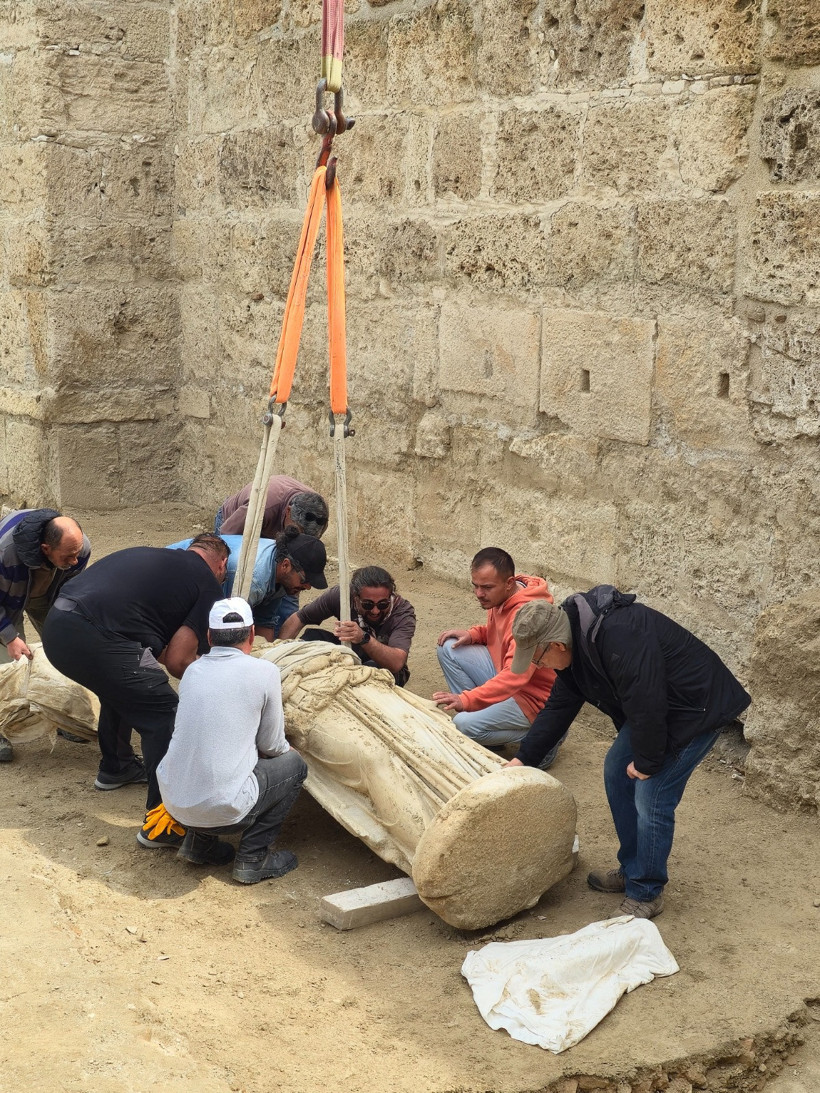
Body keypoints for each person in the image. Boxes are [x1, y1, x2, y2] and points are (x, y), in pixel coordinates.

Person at [507, 587, 752, 919]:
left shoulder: (620, 634)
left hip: (696, 708)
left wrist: (649, 761)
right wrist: (525, 758)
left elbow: (646, 698)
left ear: (556, 645)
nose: (539, 667)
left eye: (537, 659)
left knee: (652, 795)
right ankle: (633, 866)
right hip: (657, 709)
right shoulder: (573, 642)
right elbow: (561, 704)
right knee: (615, 769)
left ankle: (646, 892)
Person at [41, 533, 229, 844]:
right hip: (94, 633)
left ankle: (117, 767)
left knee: (132, 684)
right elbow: (178, 662)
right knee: (164, 712)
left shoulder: (157, 557)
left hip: (58, 625)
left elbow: (158, 652)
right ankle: (162, 826)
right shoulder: (207, 583)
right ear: (221, 564)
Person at [156, 597, 308, 884]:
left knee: (211, 755)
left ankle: (199, 845)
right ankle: (253, 858)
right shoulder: (265, 672)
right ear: (252, 633)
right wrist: (292, 749)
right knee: (295, 765)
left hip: (175, 802)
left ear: (209, 636)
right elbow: (272, 746)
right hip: (224, 811)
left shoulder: (193, 671)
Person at [432, 547, 560, 766]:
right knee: (449, 647)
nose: (479, 594)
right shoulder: (501, 596)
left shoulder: (528, 615)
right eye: (476, 586)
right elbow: (503, 636)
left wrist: (467, 700)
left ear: (509, 583)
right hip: (509, 677)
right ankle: (488, 725)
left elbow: (515, 675)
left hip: (533, 698)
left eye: (486, 587)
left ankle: (543, 741)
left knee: (462, 723)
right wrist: (475, 634)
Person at [0, 508, 91, 761]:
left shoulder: (79, 550)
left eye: (77, 553)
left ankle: (61, 717)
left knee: (64, 651)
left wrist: (64, 629)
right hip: (7, 591)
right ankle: (1, 726)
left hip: (46, 591)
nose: (76, 560)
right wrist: (9, 636)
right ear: (46, 548)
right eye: (69, 555)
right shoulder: (4, 553)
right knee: (7, 667)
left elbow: (70, 592)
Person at [168, 527, 328, 640]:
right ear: (286, 565)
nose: (307, 587)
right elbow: (222, 628)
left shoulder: (279, 570)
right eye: (305, 580)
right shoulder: (254, 579)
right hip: (172, 580)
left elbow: (264, 622)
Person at [278, 565, 416, 686]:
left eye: (382, 604)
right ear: (355, 597)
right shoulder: (342, 596)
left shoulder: (402, 612)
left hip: (382, 665)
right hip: (348, 652)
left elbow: (397, 663)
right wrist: (278, 653)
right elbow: (298, 618)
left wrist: (363, 638)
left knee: (371, 672)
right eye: (367, 604)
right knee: (312, 638)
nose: (375, 611)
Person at [215, 475, 328, 540]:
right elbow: (225, 538)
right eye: (296, 531)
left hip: (270, 527)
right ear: (288, 511)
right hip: (233, 523)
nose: (298, 539)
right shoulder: (262, 506)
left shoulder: (320, 514)